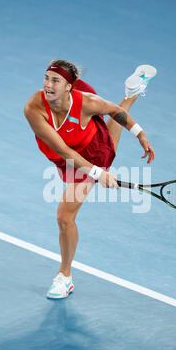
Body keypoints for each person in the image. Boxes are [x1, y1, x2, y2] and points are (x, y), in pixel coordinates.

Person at [24, 59, 156, 299]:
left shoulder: (87, 102)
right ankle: (132, 92)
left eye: (56, 80)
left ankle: (65, 277)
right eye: (46, 78)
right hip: (66, 154)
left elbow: (115, 113)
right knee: (104, 147)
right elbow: (64, 151)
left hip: (91, 148)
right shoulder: (33, 108)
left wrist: (140, 134)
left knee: (64, 217)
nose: (48, 85)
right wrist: (98, 174)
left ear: (68, 87)